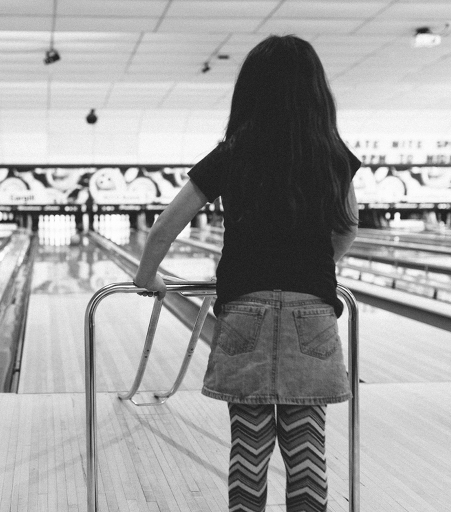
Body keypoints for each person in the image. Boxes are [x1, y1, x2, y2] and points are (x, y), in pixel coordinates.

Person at [133, 34, 360, 512]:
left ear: (248, 92)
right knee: (306, 453)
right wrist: (321, 266)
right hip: (313, 315)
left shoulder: (231, 152)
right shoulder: (332, 155)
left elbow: (164, 228)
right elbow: (347, 229)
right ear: (317, 92)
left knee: (249, 452)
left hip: (245, 316)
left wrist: (147, 275)